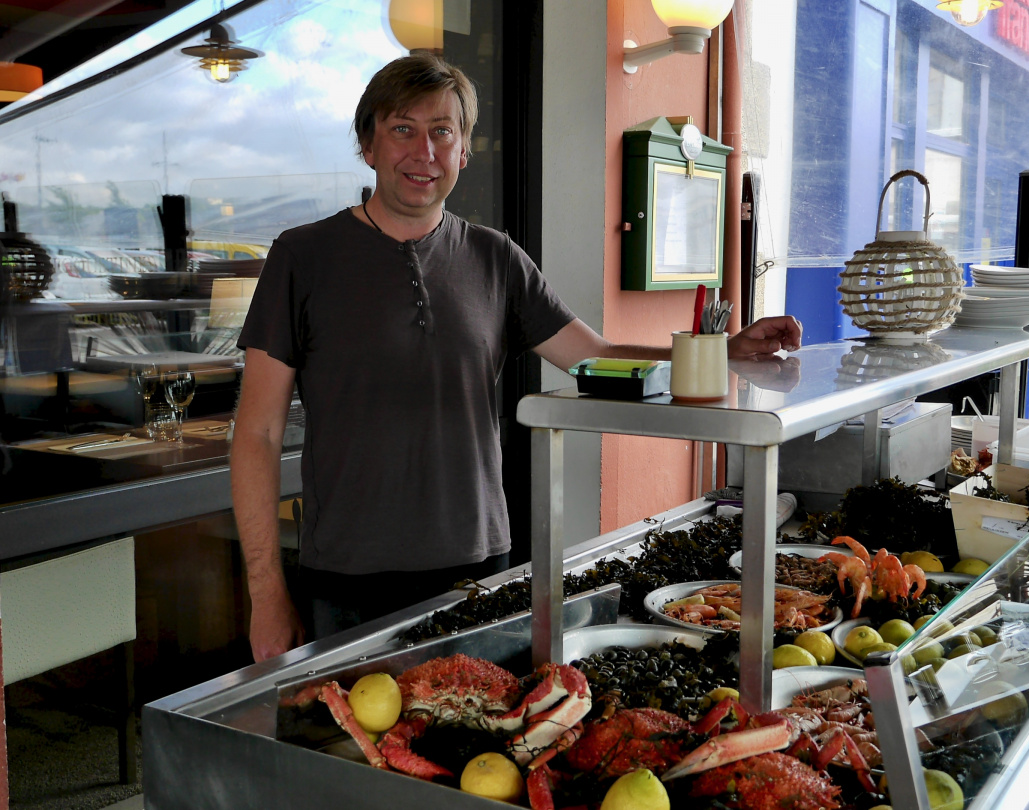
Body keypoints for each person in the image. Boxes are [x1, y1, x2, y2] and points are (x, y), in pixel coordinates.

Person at [232, 53, 801, 662]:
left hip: (476, 566)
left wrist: (722, 350)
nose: (424, 151)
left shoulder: (495, 257)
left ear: (464, 152)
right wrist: (266, 592)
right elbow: (258, 433)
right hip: (346, 574)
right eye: (402, 128)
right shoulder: (303, 256)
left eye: (442, 131)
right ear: (367, 145)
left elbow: (597, 355)